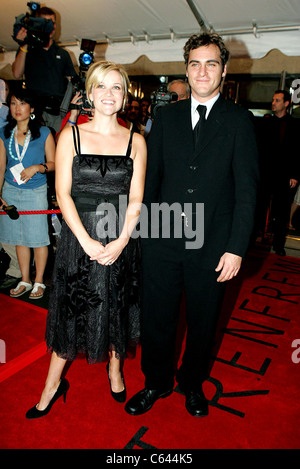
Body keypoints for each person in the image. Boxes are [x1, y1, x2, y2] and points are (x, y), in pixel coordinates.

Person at [125, 32, 259, 418]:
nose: (203, 71)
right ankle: (156, 382)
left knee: (203, 321)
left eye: (211, 63)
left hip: (215, 244)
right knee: (157, 317)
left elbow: (248, 189)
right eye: (195, 64)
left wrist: (236, 246)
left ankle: (192, 383)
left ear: (224, 70)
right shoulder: (165, 117)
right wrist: (144, 236)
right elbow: (150, 181)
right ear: (186, 69)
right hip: (163, 238)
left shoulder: (240, 121)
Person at [25, 61, 147, 419]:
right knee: (72, 311)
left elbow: (137, 198)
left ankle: (114, 367)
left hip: (122, 237)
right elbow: (63, 194)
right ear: (89, 93)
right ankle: (51, 384)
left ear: (124, 95)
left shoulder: (136, 140)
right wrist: (84, 240)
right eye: (101, 87)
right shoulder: (71, 135)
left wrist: (123, 240)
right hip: (79, 239)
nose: (108, 94)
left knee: (116, 304)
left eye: (116, 88)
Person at [0, 85, 55, 299]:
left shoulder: (43, 132)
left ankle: (39, 281)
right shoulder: (4, 133)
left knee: (39, 238)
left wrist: (37, 167)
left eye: (22, 103)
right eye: (13, 103)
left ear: (32, 107)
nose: (17, 108)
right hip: (11, 190)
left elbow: (54, 163)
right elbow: (1, 166)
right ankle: (25, 279)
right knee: (19, 237)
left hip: (36, 190)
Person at [12, 6, 76, 133]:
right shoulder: (27, 49)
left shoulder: (63, 53)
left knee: (58, 146)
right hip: (35, 110)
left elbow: (72, 82)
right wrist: (25, 43)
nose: (49, 26)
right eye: (44, 22)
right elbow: (16, 74)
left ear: (56, 25)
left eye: (51, 23)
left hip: (58, 112)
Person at [258, 90, 299, 255]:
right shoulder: (266, 122)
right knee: (259, 206)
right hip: (266, 173)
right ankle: (257, 237)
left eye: (277, 100)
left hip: (285, 175)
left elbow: (298, 151)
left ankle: (278, 244)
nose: (273, 103)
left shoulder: (295, 125)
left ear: (286, 103)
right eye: (273, 100)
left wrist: (295, 175)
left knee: (281, 210)